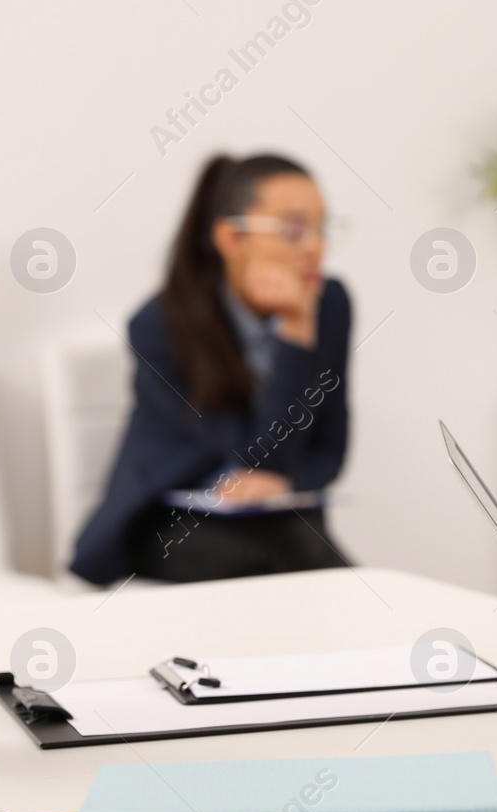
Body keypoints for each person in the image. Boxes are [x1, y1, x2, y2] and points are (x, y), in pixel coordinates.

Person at [71, 153, 352, 584]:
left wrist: (284, 481)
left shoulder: (329, 304)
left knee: (331, 577)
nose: (315, 246)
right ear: (231, 238)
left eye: (321, 227)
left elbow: (330, 451)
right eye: (294, 228)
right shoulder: (161, 326)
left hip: (279, 521)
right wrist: (295, 333)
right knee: (276, 572)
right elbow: (254, 455)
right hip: (172, 522)